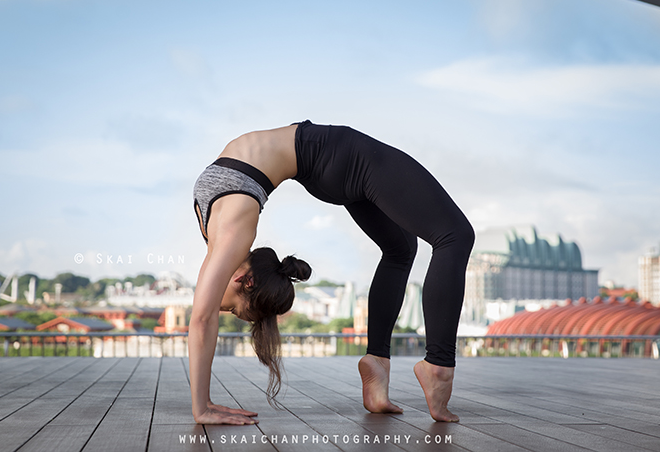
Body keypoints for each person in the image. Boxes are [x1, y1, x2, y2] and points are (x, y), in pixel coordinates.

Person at [189, 120, 475, 425]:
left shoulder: (228, 238)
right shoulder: (227, 235)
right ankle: (438, 366)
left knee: (401, 250)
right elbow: (202, 317)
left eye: (233, 309)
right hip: (336, 155)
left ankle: (377, 361)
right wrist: (202, 406)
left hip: (325, 163)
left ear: (244, 280)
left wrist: (202, 407)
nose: (227, 309)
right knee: (454, 236)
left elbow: (201, 318)